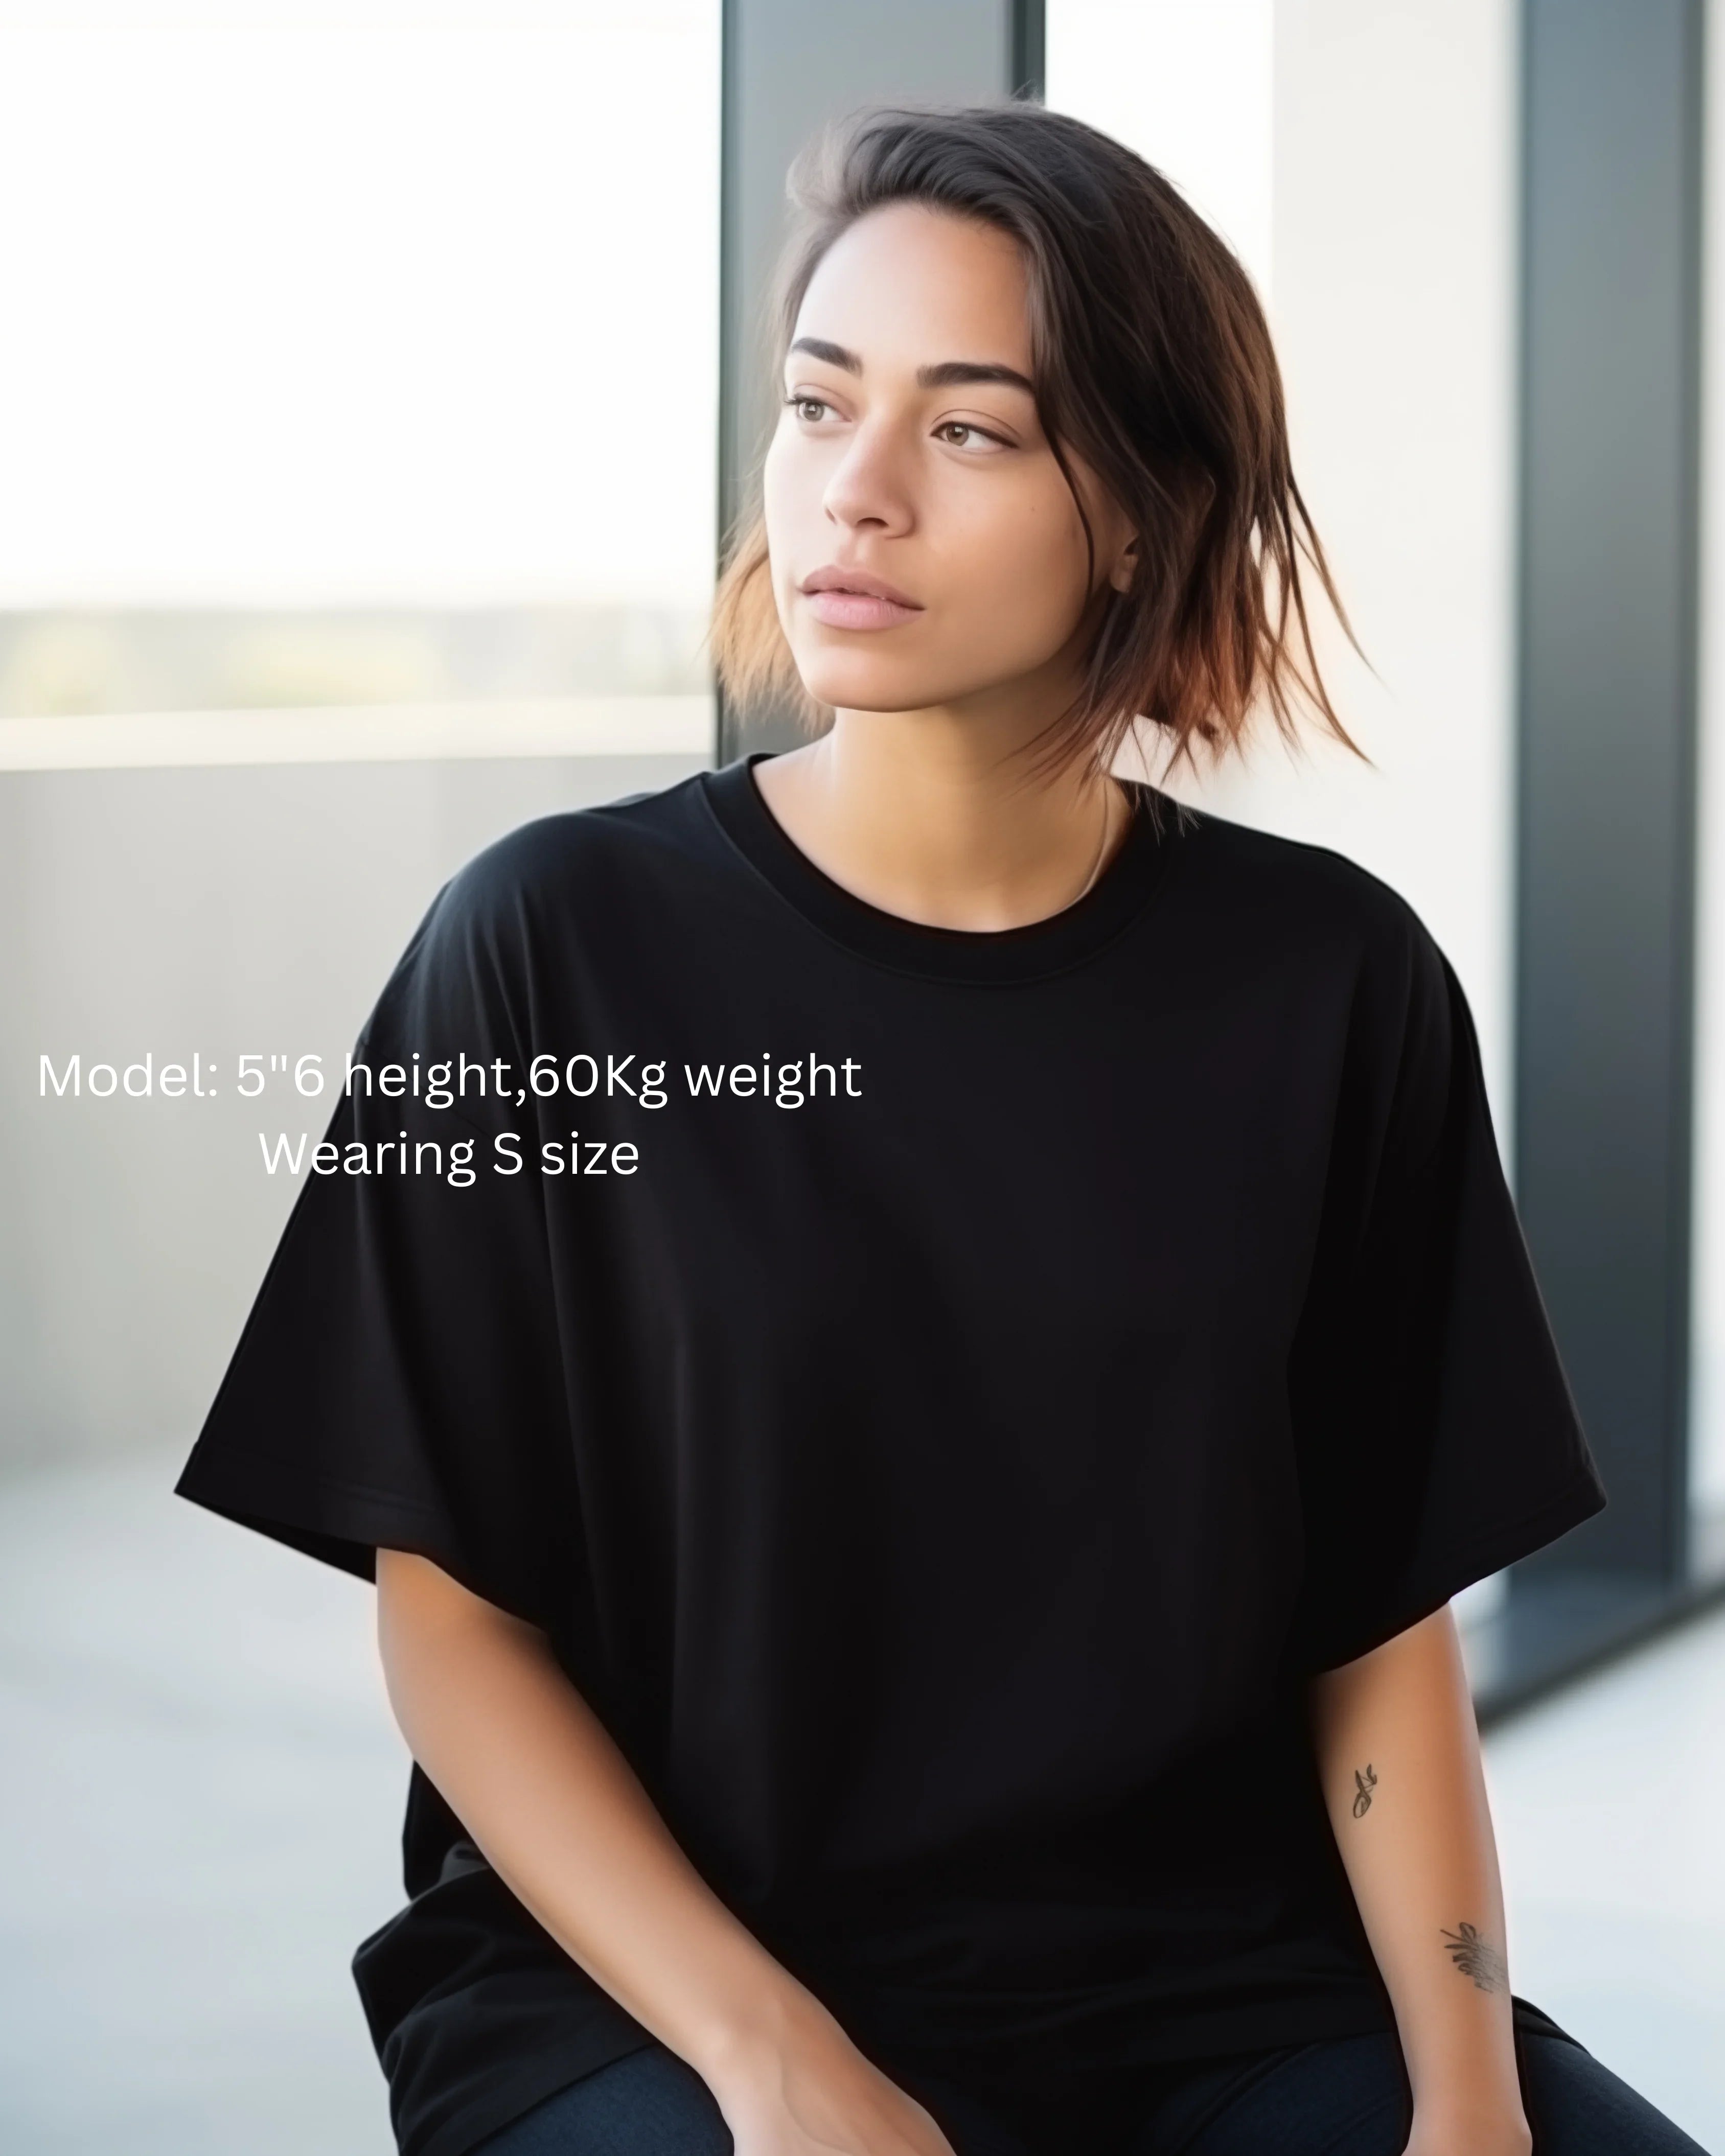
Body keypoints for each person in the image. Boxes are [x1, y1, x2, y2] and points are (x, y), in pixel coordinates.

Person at [173, 102, 1705, 2156]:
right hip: (658, 1996)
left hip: (1221, 1999)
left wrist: (1459, 2090)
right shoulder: (550, 944)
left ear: (1145, 515)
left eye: (969, 431)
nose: (857, 492)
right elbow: (453, 1616)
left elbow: (1375, 1622)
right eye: (820, 407)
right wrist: (778, 2061)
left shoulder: (1333, 984)